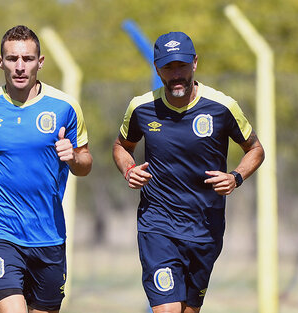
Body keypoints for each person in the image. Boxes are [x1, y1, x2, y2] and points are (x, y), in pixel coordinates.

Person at [112, 31, 264, 313]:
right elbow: (122, 146)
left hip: (205, 227)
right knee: (167, 309)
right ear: (157, 69)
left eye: (181, 65)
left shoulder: (222, 107)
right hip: (157, 224)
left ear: (195, 63)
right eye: (168, 67)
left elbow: (255, 149)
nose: (176, 74)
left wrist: (236, 177)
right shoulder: (141, 108)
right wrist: (128, 169)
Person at [0, 25, 92, 313]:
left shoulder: (65, 107)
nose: (20, 67)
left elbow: (85, 164)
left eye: (27, 59)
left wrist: (72, 157)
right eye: (12, 59)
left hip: (48, 234)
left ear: (41, 61)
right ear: (0, 61)